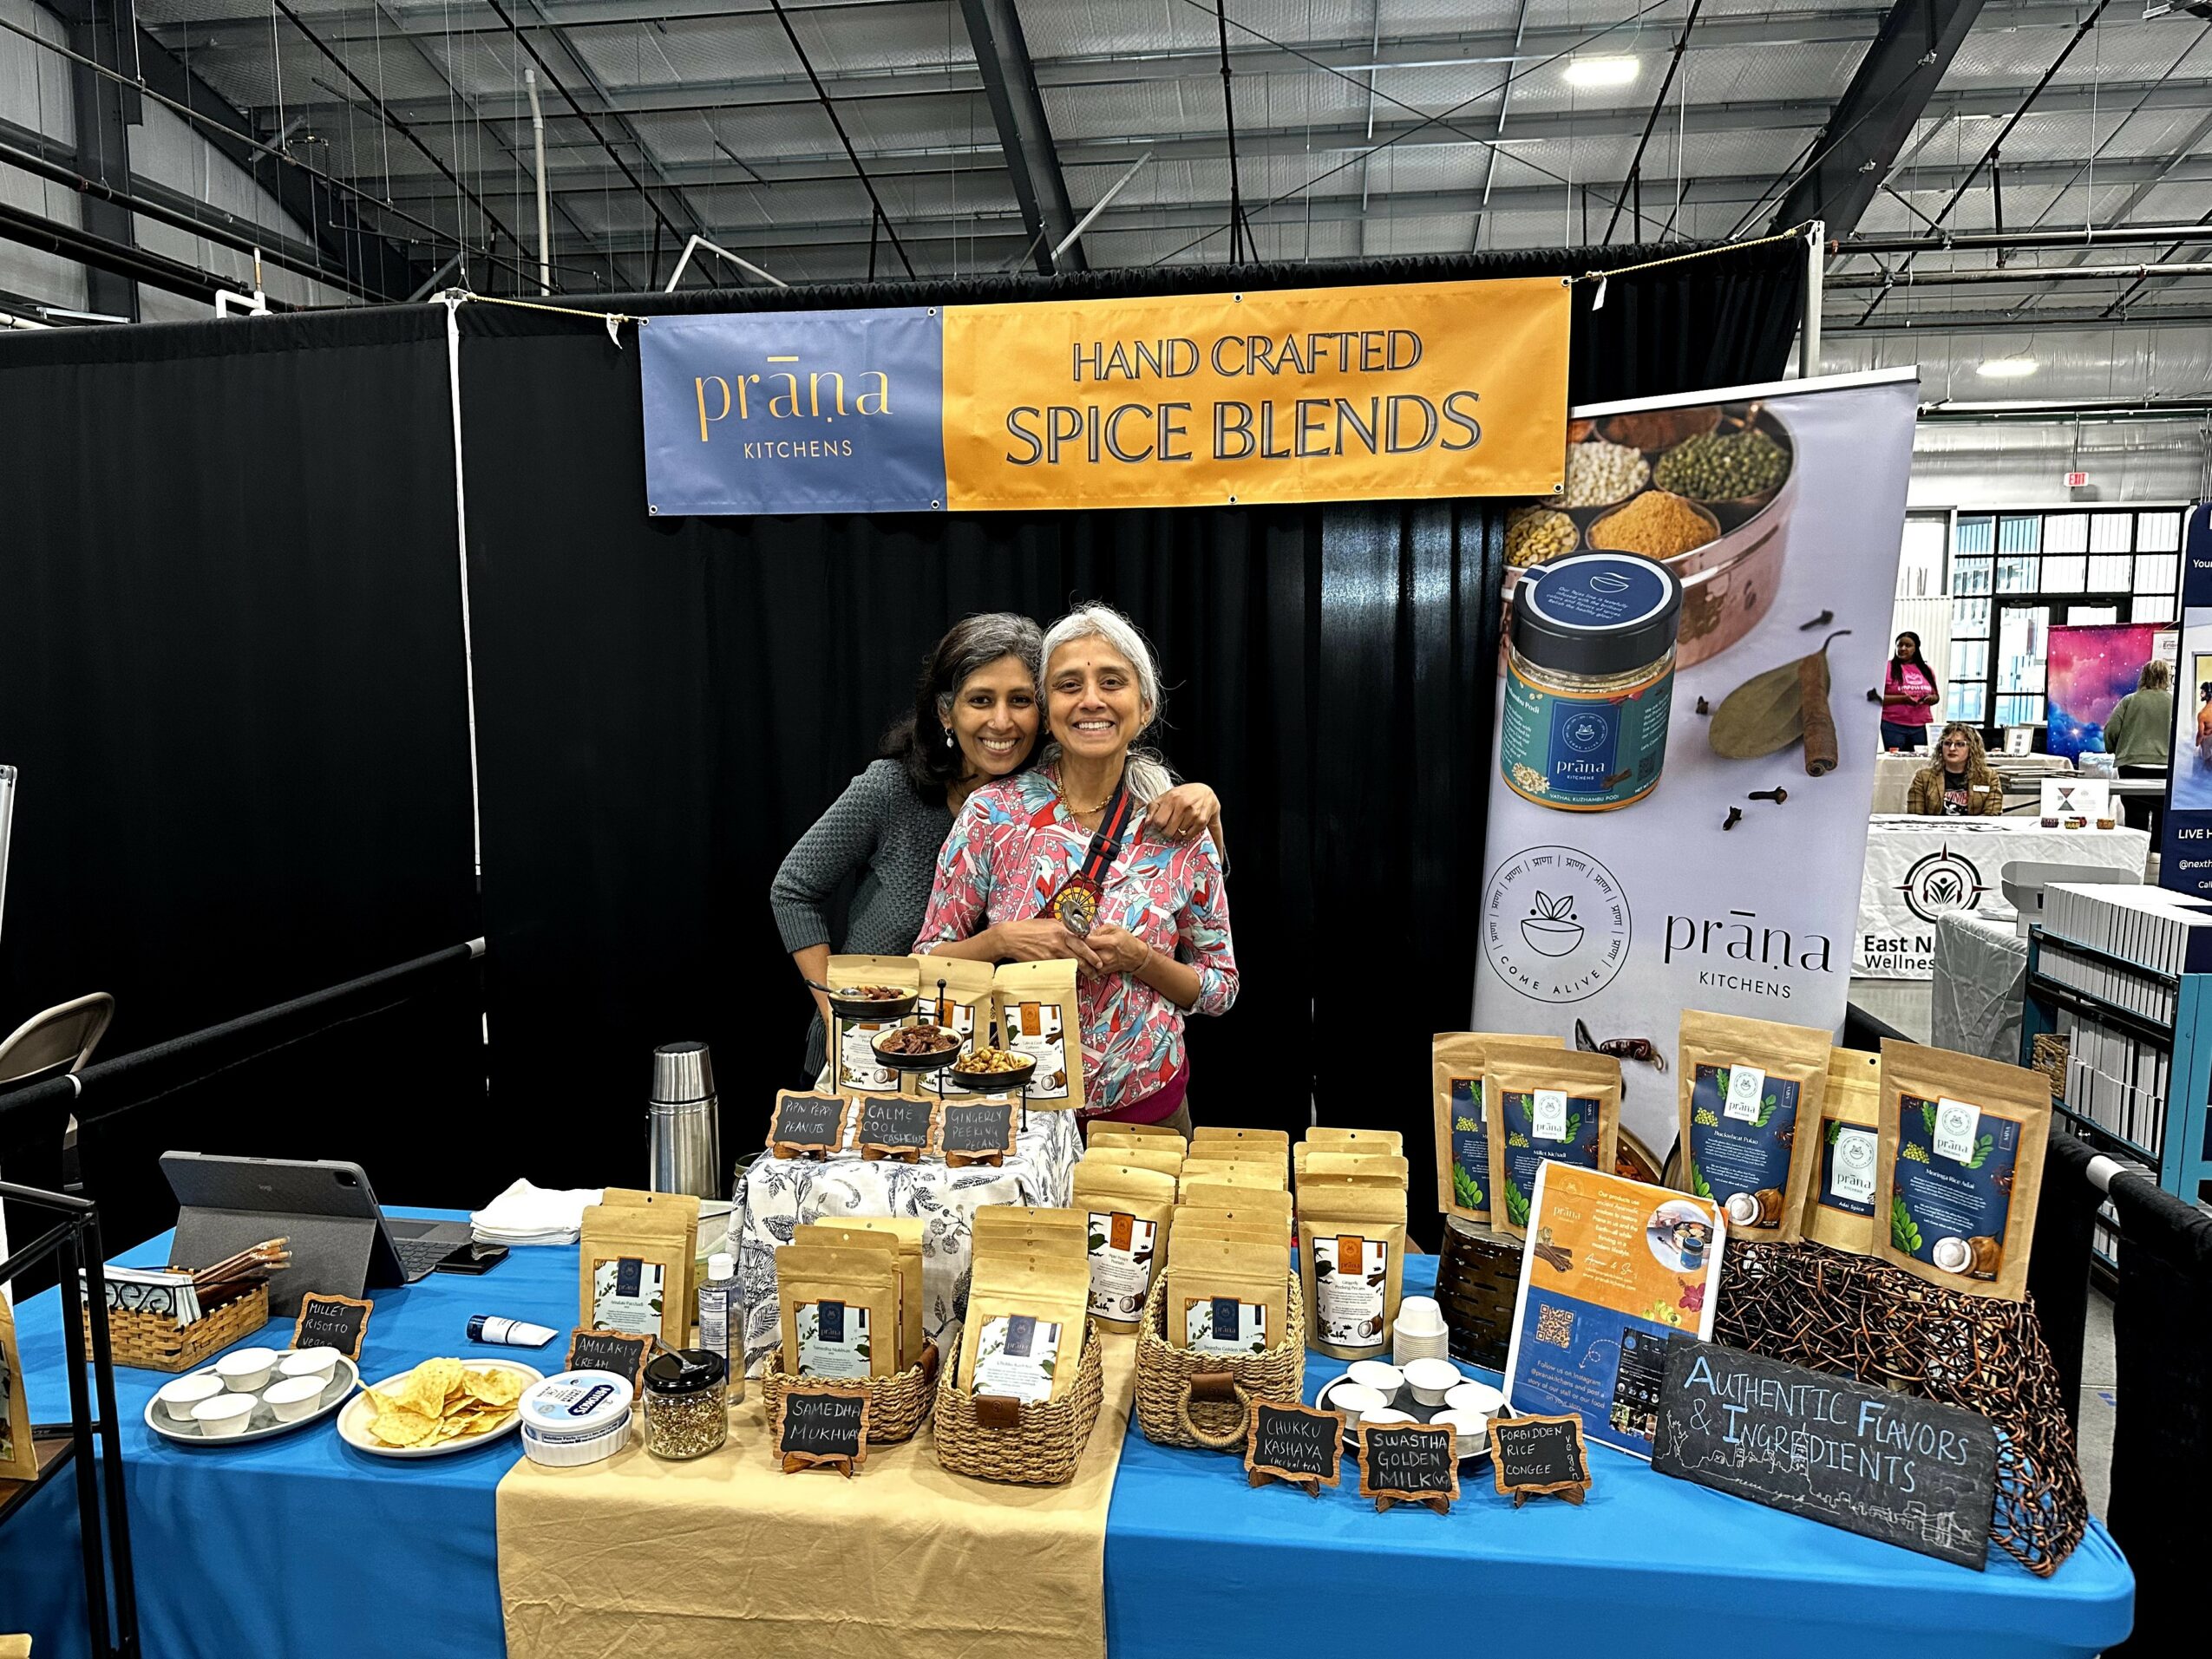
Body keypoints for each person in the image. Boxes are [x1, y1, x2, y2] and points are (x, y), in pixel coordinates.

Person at [771, 612, 1220, 1080]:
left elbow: (1120, 770)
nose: (1001, 722)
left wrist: (1203, 801)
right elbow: (793, 891)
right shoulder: (897, 792)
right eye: (980, 700)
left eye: (1020, 700)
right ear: (947, 713)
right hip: (867, 1040)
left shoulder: (1054, 802)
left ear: (1042, 710)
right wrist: (837, 1009)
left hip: (974, 1061)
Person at [916, 604, 1237, 1133]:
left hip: (1146, 1117)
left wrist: (1141, 959)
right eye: (1069, 685)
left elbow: (1220, 988)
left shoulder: (1179, 827)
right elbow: (926, 966)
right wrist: (1001, 941)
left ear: (1146, 706)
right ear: (1048, 712)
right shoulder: (992, 815)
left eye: (1112, 682)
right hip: (1016, 1118)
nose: (1091, 700)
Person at [2104, 659, 2173, 846]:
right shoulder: (2175, 702)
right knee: (2162, 815)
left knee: (2135, 814)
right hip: (2166, 768)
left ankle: (2136, 853)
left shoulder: (2129, 701)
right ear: (2167, 677)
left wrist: (2115, 749)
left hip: (2132, 767)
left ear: (2143, 676)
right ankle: (2157, 855)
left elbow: (2111, 730)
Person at [1906, 722, 2005, 817]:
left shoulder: (1989, 777)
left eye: (1960, 744)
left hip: (1975, 828)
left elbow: (1991, 815)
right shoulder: (1923, 777)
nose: (1952, 748)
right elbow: (1915, 817)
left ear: (1972, 748)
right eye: (1947, 743)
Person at [1878, 631, 1940, 752]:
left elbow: (1936, 696)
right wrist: (1903, 699)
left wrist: (1932, 699)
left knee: (1920, 761)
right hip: (1892, 726)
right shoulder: (1886, 668)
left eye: (1908, 646)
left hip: (1921, 727)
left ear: (1916, 648)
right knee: (1893, 762)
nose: (1903, 648)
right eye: (1899, 645)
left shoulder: (1926, 670)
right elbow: (1876, 698)